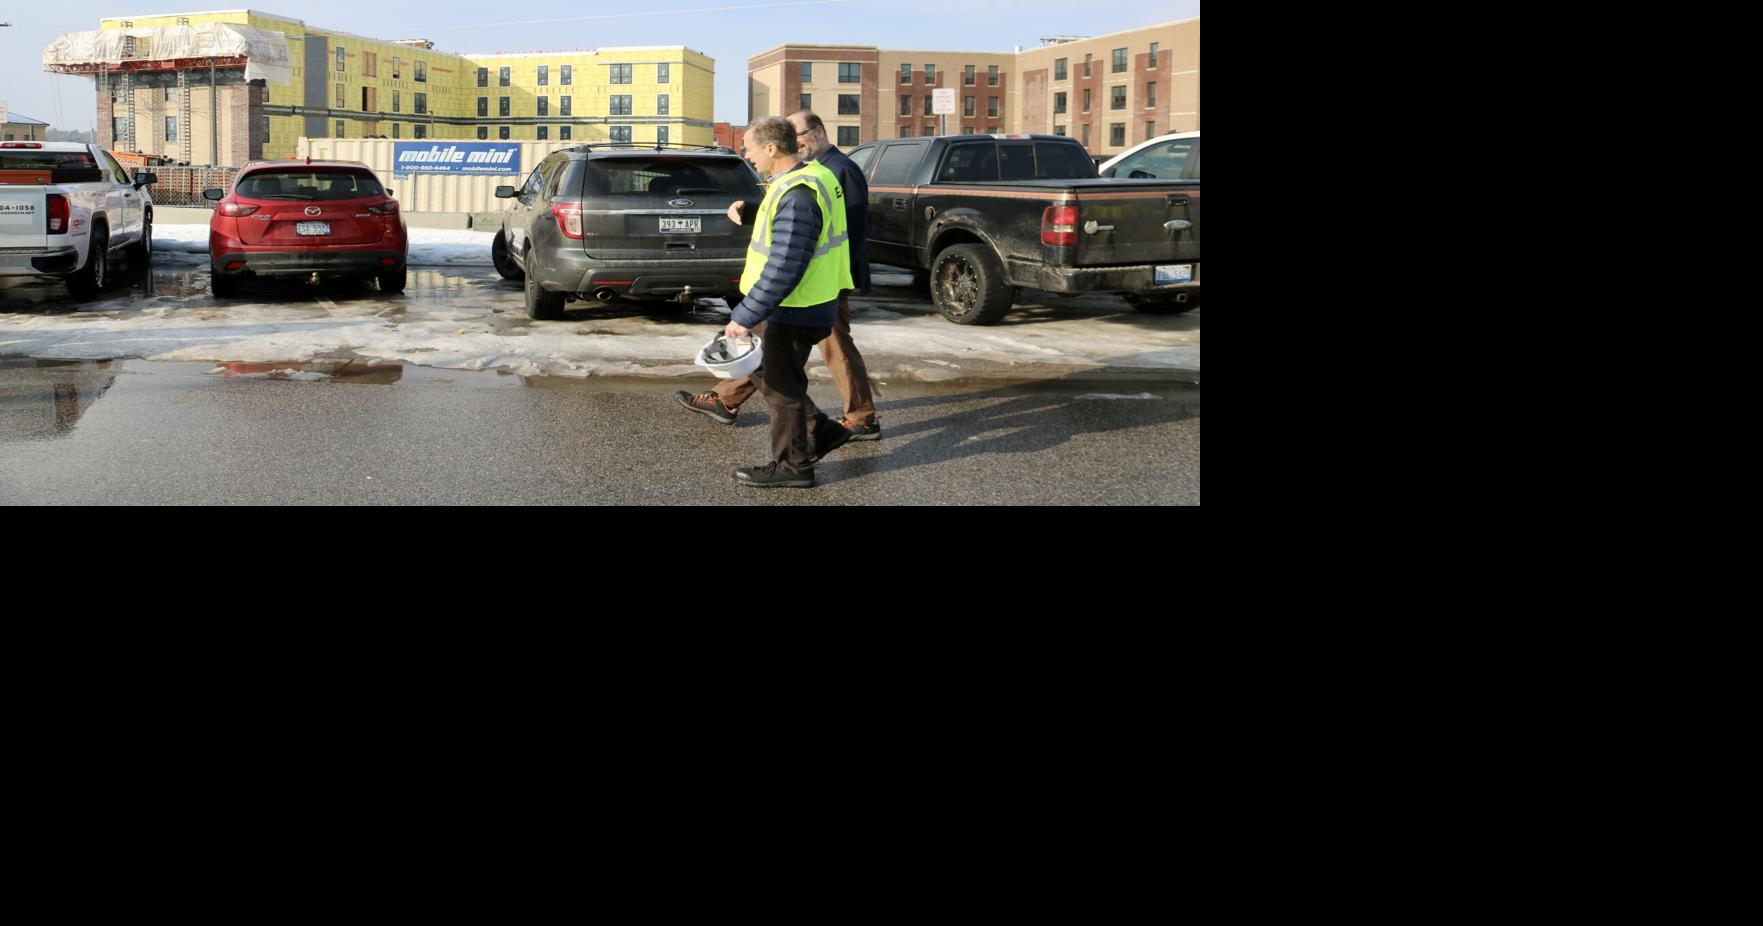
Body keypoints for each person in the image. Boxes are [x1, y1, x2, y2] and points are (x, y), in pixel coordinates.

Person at [675, 110, 880, 446]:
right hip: (802, 284)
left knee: (826, 353)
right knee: (768, 359)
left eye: (795, 135)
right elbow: (799, 221)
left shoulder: (839, 169)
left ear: (814, 133)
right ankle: (728, 400)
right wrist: (753, 213)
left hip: (820, 282)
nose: (793, 143)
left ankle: (859, 419)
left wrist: (845, 277)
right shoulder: (810, 171)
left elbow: (845, 228)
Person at [713, 117, 855, 488]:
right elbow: (790, 230)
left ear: (771, 148)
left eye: (748, 147)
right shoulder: (804, 180)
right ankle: (820, 432)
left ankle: (794, 466)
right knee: (767, 371)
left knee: (781, 388)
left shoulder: (799, 192)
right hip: (800, 302)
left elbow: (786, 263)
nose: (746, 154)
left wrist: (744, 316)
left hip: (794, 306)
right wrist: (752, 214)